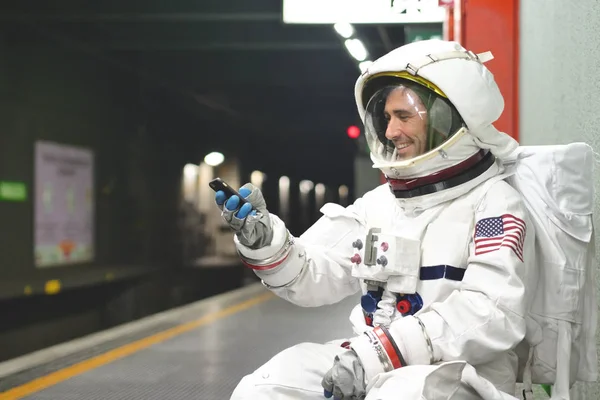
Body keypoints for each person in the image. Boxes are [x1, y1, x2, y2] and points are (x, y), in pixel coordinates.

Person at [214, 39, 535, 400]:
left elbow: (492, 314)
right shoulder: (381, 204)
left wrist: (377, 354)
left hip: (463, 375)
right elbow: (312, 276)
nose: (390, 132)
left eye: (404, 116)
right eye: (386, 118)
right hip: (371, 360)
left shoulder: (494, 203)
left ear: (451, 118)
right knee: (264, 387)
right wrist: (265, 240)